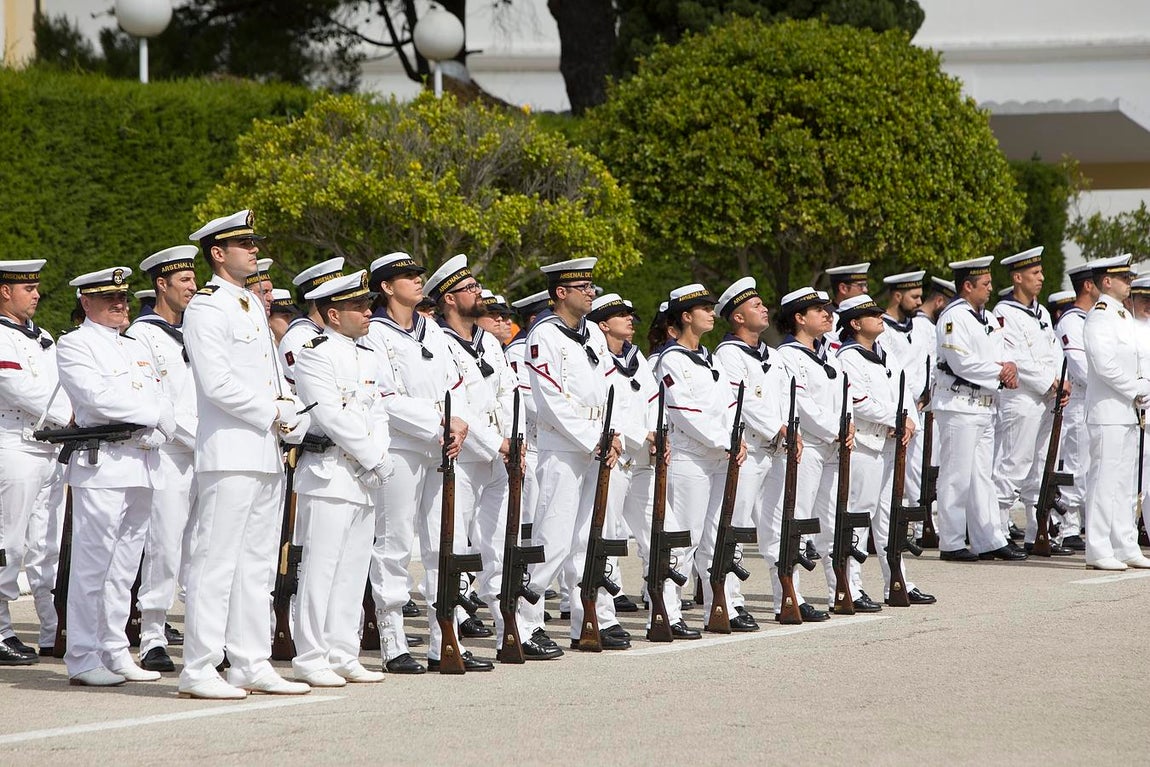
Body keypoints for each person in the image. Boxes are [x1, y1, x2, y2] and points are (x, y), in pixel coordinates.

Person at [180, 210, 311, 699]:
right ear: (218, 253)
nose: (255, 250)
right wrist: (273, 410)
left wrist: (289, 409)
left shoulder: (251, 305)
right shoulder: (207, 307)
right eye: (245, 244)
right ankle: (198, 666)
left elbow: (270, 375)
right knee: (215, 562)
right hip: (230, 451)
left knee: (257, 564)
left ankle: (249, 661)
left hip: (263, 450)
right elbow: (216, 384)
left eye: (255, 243)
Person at [362, 252, 489, 673]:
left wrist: (460, 421)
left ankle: (443, 638)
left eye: (418, 275)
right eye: (408, 276)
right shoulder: (374, 334)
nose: (418, 281)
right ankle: (393, 639)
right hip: (400, 448)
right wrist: (441, 420)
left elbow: (458, 384)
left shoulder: (430, 329)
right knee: (394, 545)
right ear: (386, 287)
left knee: (444, 546)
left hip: (440, 447)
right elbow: (385, 397)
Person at [56, 266, 176, 686]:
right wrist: (154, 415)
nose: (120, 305)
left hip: (141, 462)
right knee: (93, 565)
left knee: (125, 567)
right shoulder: (75, 344)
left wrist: (162, 426)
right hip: (102, 462)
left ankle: (114, 649)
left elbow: (161, 394)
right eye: (110, 300)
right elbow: (97, 397)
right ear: (87, 303)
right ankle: (83, 657)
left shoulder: (133, 346)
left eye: (123, 299)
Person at [290, 270, 391, 687]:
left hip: (362, 478)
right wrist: (371, 456)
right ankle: (310, 656)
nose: (369, 312)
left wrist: (377, 457)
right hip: (329, 473)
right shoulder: (314, 352)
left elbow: (379, 412)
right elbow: (328, 415)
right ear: (333, 314)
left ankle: (343, 651)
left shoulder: (368, 355)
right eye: (358, 307)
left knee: (352, 570)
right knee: (320, 569)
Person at [521, 258, 627, 651]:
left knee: (589, 538)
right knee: (554, 539)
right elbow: (550, 401)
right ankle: (526, 622)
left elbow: (608, 388)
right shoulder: (542, 336)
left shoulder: (594, 336)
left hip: (597, 444)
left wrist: (613, 433)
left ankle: (592, 617)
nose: (590, 291)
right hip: (565, 448)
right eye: (582, 286)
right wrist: (594, 438)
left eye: (591, 285)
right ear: (560, 293)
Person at [426, 255, 526, 655]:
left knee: (501, 545)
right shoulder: (438, 340)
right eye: (469, 289)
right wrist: (495, 443)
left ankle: (510, 630)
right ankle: (443, 641)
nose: (478, 293)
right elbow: (456, 402)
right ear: (450, 299)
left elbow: (508, 390)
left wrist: (513, 439)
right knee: (449, 548)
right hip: (463, 458)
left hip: (499, 456)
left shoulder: (487, 340)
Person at [835, 294, 935, 606]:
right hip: (866, 444)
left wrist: (909, 422)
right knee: (859, 515)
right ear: (855, 323)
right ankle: (851, 584)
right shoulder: (847, 358)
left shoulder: (885, 353)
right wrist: (895, 417)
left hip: (891, 442)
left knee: (890, 517)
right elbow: (859, 400)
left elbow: (904, 391)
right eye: (871, 314)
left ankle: (898, 579)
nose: (880, 317)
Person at [129, 245, 200, 673]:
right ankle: (152, 633)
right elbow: (158, 403)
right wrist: (201, 439)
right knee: (164, 549)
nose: (193, 287)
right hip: (171, 454)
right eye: (184, 281)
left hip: (204, 455)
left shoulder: (195, 329)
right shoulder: (144, 334)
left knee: (200, 550)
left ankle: (201, 632)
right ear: (162, 284)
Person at [0, 259, 72, 665]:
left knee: (47, 542)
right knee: (8, 542)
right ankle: (1, 629)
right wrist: (70, 416)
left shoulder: (42, 336)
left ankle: (51, 630)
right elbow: (17, 388)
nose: (37, 294)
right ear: (5, 291)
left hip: (48, 449)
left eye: (37, 286)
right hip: (14, 448)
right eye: (29, 288)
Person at [934, 256, 1025, 562]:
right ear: (967, 286)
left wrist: (1009, 366)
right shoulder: (953, 318)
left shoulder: (985, 318)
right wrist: (999, 372)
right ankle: (951, 541)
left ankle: (988, 539)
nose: (989, 288)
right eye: (984, 284)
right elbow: (961, 361)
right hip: (959, 404)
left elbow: (1000, 352)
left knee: (981, 476)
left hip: (984, 405)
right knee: (956, 476)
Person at [712, 277, 787, 630]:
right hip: (749, 450)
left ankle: (786, 596)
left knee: (775, 527)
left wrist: (789, 428)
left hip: (775, 450)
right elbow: (746, 405)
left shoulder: (771, 354)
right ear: (738, 317)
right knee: (735, 528)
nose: (764, 308)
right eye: (756, 306)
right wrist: (779, 428)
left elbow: (786, 399)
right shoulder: (727, 355)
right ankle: (729, 600)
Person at [771, 287, 847, 619]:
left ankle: (842, 589)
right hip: (809, 445)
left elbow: (843, 395)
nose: (827, 314)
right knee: (794, 521)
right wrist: (837, 429)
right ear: (800, 318)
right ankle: (789, 597)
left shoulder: (827, 353)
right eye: (818, 310)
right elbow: (802, 404)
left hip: (832, 444)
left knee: (831, 520)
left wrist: (848, 425)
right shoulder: (788, 356)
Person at [991, 247, 1071, 554]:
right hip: (1022, 399)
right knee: (1013, 465)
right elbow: (1016, 358)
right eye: (1035, 274)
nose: (1041, 278)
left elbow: (1053, 351)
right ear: (1017, 277)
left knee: (1040, 468)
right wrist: (1050, 380)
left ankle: (1039, 532)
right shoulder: (1004, 313)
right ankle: (997, 532)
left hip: (1047, 398)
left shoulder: (1039, 312)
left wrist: (1061, 382)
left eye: (1040, 272)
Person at [587, 293, 657, 622]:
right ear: (603, 324)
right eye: (621, 315)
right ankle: (604, 613)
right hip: (613, 455)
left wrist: (658, 432)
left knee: (661, 530)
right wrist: (640, 434)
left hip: (641, 458)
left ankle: (666, 611)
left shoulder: (635, 356)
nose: (630, 320)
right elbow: (602, 405)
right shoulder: (595, 356)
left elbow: (653, 397)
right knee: (607, 532)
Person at [1082, 255, 1150, 570]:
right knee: (1103, 482)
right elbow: (1104, 365)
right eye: (1124, 277)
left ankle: (1125, 544)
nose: (1129, 282)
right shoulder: (1100, 316)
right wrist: (1136, 387)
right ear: (1106, 281)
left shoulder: (1123, 315)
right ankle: (1097, 549)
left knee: (1124, 485)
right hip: (1107, 412)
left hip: (1126, 413)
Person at [1052, 264, 1099, 552]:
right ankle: (1067, 526)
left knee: (1090, 465)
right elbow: (1079, 367)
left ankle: (1081, 524)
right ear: (1088, 286)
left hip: (1093, 400)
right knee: (1075, 465)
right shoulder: (1071, 321)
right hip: (1079, 400)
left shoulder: (1092, 319)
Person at [279, 257, 345, 386]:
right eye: (338, 294)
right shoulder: (297, 338)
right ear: (318, 298)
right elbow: (302, 384)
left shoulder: (343, 330)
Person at [823, 262, 871, 352]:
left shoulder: (871, 317)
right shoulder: (827, 319)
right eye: (860, 285)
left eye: (865, 285)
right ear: (843, 288)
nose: (865, 290)